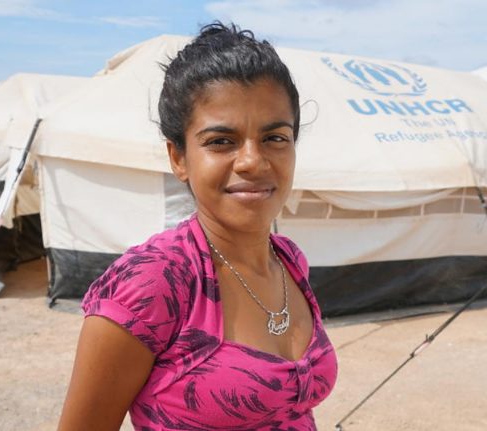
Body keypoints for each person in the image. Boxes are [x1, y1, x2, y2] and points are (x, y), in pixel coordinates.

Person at [58, 23, 337, 430]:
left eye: (275, 138)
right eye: (221, 141)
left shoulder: (289, 260)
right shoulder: (153, 283)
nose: (252, 162)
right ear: (179, 158)